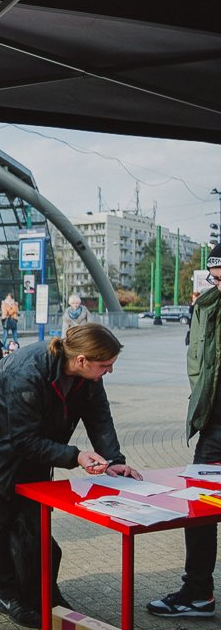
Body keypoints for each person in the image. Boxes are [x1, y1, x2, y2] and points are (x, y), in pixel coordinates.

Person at [0, 323, 141, 627]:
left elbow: (99, 416)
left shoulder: (86, 376)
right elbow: (21, 440)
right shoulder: (28, 372)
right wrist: (74, 456)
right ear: (82, 360)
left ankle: (43, 593)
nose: (109, 371)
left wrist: (114, 460)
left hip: (35, 444)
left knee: (35, 521)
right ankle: (6, 595)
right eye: (106, 365)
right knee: (2, 520)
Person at [147, 246, 221, 618]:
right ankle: (198, 592)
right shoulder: (209, 305)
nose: (218, 285)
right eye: (215, 278)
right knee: (200, 506)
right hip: (215, 425)